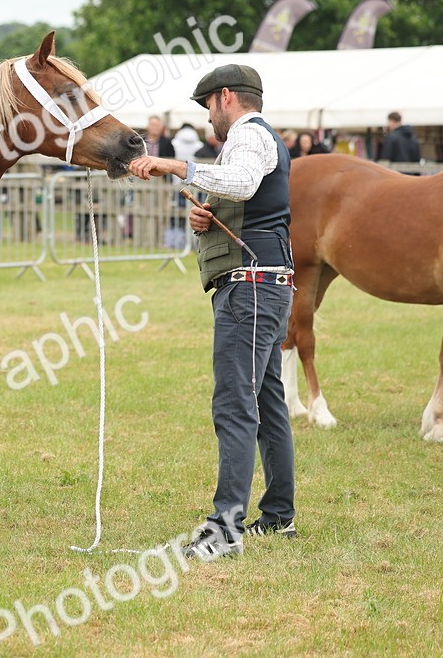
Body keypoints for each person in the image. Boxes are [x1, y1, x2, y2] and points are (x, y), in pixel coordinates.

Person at [128, 64, 297, 561]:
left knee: (234, 405)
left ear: (226, 97)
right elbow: (250, 199)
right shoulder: (262, 139)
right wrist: (210, 214)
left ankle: (225, 529)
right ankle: (279, 517)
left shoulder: (247, 137)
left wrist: (177, 166)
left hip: (250, 289)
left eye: (208, 108)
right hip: (266, 284)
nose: (208, 120)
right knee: (267, 404)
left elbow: (243, 183)